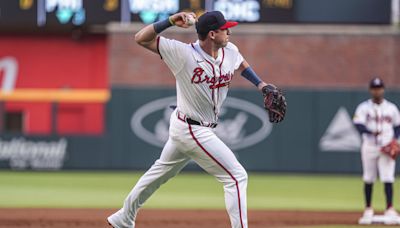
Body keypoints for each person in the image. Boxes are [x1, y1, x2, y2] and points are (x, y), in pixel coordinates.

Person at [108, 11, 284, 228]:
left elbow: (240, 63)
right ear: (212, 34)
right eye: (224, 28)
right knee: (236, 176)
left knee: (159, 173)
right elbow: (140, 38)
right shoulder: (182, 53)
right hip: (191, 128)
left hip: (191, 126)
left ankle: (123, 217)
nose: (229, 31)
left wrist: (261, 84)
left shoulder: (229, 50)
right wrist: (171, 21)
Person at [353, 77, 400, 225]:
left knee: (388, 177)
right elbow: (358, 123)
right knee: (368, 177)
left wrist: (395, 141)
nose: (377, 91)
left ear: (383, 89)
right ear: (370, 90)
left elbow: (398, 126)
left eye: (379, 88)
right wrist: (370, 132)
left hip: (386, 146)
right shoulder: (363, 107)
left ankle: (390, 208)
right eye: (374, 88)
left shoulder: (391, 108)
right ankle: (368, 208)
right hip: (370, 146)